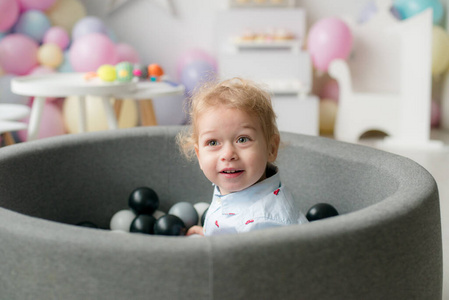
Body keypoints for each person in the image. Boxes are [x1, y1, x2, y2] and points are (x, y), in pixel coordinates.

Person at [177, 77, 308, 236]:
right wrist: (210, 236)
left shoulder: (263, 224)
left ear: (271, 149)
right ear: (199, 156)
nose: (227, 155)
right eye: (212, 142)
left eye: (242, 139)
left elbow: (240, 261)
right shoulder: (233, 186)